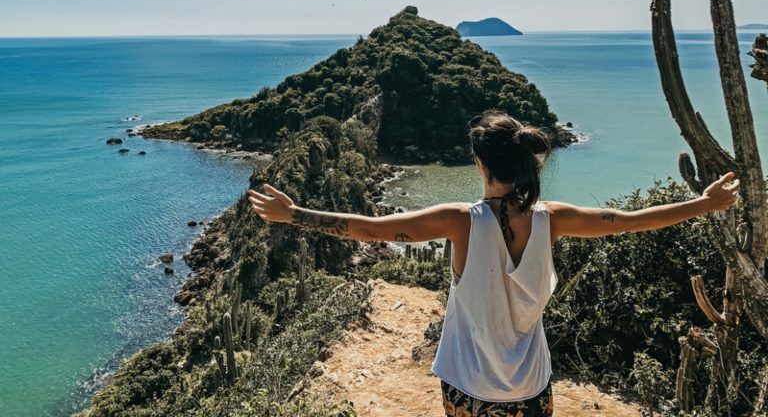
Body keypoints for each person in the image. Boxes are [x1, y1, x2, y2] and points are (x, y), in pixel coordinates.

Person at [248, 113, 739, 417]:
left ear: (480, 165)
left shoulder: (461, 221)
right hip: (530, 386)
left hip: (469, 384)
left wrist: (294, 214)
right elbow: (630, 221)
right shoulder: (555, 219)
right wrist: (704, 203)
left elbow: (371, 229)